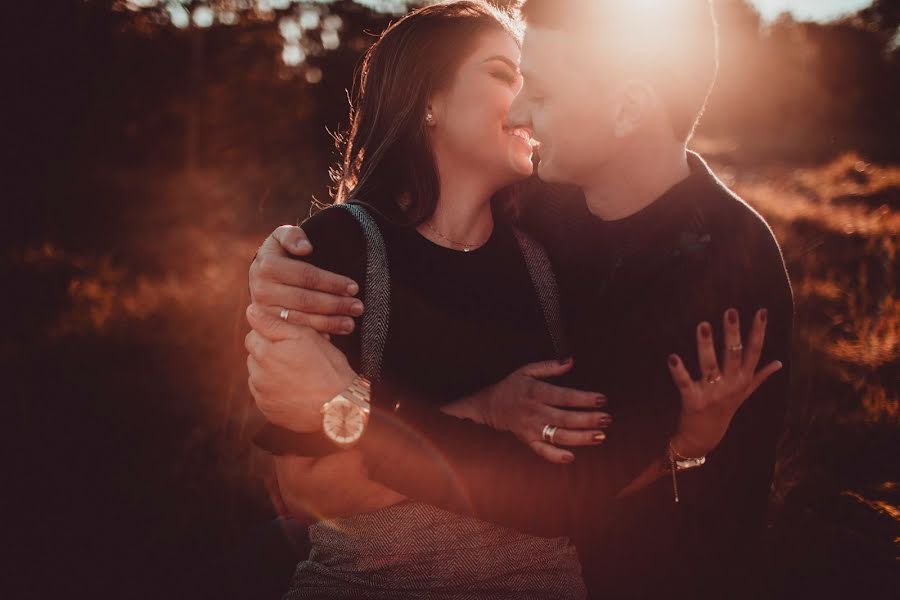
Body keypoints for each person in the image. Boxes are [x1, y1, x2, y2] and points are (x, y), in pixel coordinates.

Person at [246, 1, 795, 598]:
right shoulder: (544, 212)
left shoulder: (714, 262)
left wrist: (351, 406)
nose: (525, 109)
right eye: (510, 78)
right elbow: (303, 489)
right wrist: (275, 267)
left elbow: (566, 491)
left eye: (539, 88)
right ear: (428, 100)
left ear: (629, 109)